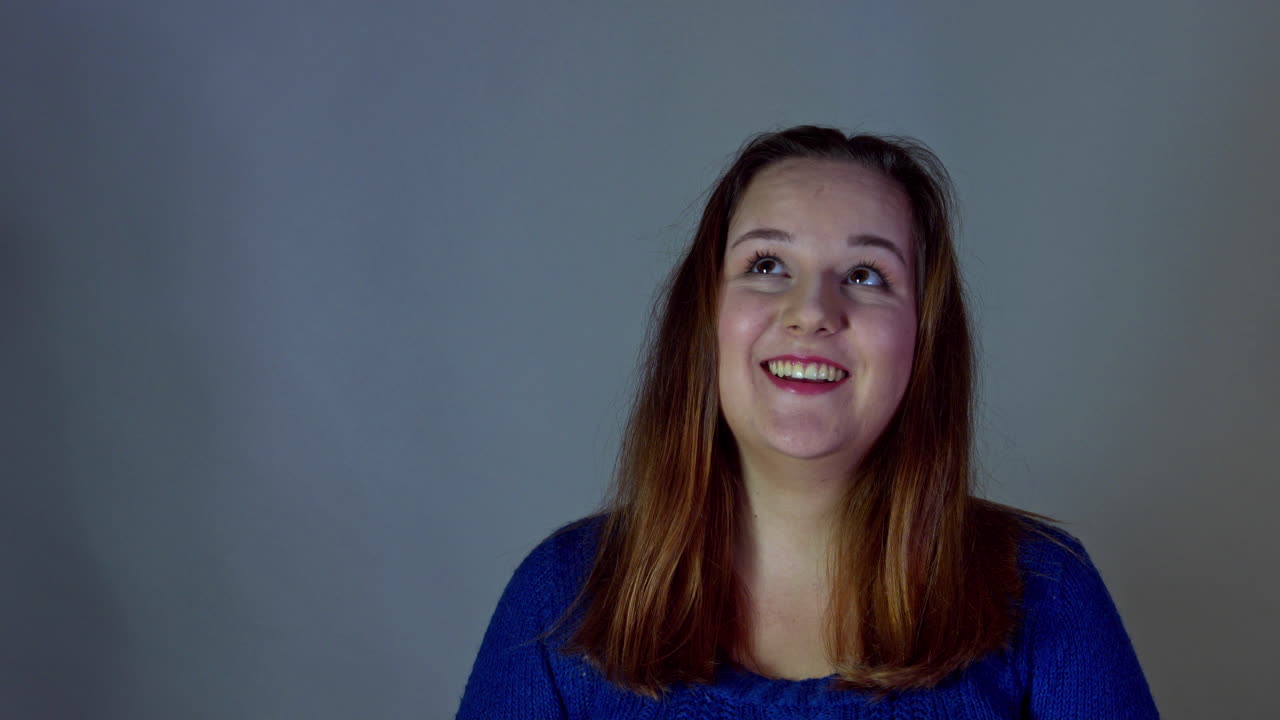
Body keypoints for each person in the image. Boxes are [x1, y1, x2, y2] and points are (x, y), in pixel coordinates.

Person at [456, 126, 1158, 718]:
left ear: (924, 338)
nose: (812, 309)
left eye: (866, 275)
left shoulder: (1043, 591)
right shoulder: (561, 598)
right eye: (766, 264)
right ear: (705, 320)